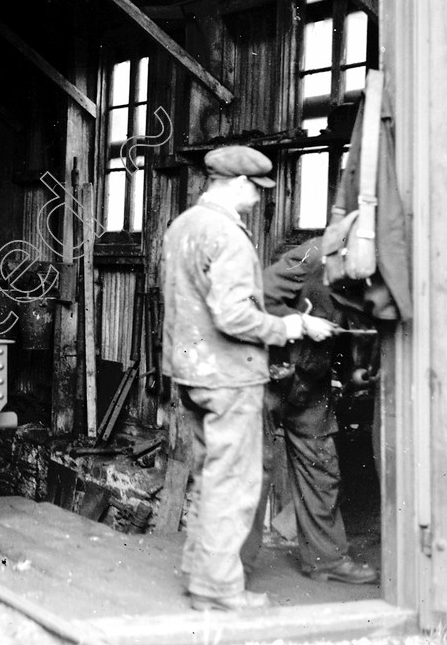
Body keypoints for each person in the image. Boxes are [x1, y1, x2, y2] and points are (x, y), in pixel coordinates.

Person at [162, 145, 337, 612]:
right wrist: (290, 326)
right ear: (237, 184)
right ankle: (218, 588)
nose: (258, 199)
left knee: (209, 475)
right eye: (256, 190)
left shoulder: (183, 226)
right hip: (228, 375)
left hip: (190, 370)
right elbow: (233, 315)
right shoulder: (229, 236)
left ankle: (201, 574)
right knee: (234, 482)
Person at [250, 237, 378, 584]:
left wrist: (355, 367)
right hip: (268, 374)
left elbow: (352, 321)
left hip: (311, 381)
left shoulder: (371, 273)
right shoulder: (311, 256)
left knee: (322, 469)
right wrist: (301, 322)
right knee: (250, 472)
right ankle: (232, 569)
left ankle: (326, 559)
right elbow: (256, 295)